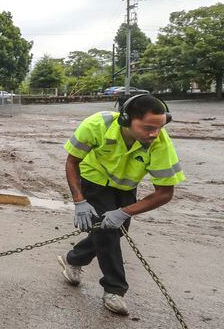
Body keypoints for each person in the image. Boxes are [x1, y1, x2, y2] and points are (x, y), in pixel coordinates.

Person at [56, 94, 185, 315]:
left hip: (125, 187)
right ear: (126, 119)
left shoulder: (159, 142)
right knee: (108, 234)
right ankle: (114, 289)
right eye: (147, 128)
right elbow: (72, 161)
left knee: (116, 230)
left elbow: (165, 193)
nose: (154, 134)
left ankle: (73, 259)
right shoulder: (97, 125)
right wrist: (79, 201)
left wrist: (124, 212)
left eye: (160, 127)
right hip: (94, 179)